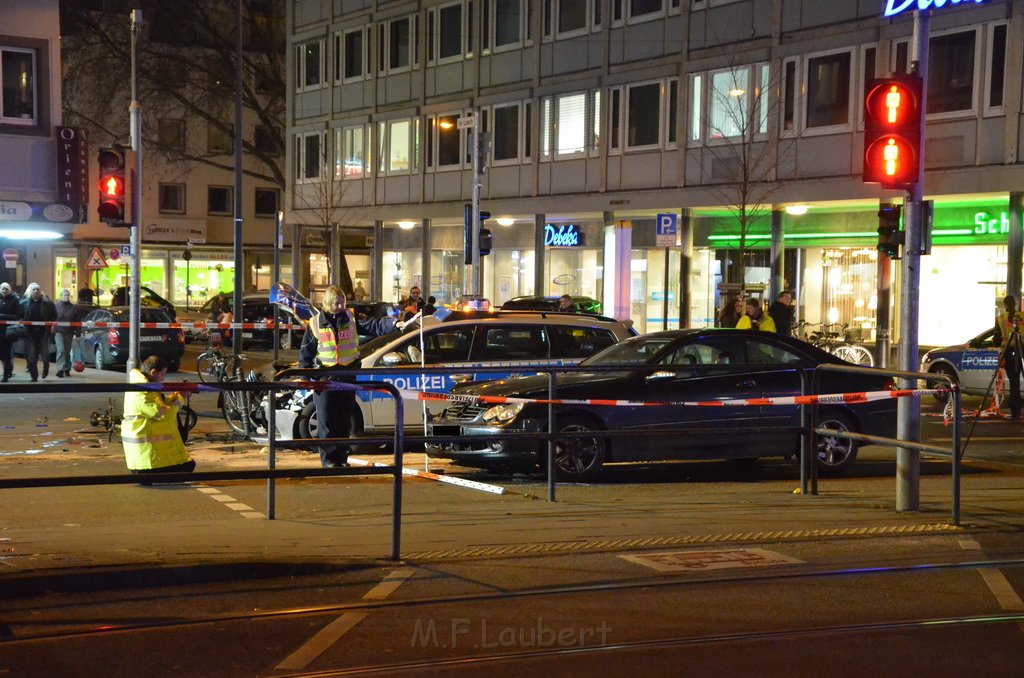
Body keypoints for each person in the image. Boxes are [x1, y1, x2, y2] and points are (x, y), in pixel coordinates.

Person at [299, 285, 361, 468]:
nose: (340, 305)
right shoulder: (316, 323)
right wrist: (305, 377)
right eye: (336, 302)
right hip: (325, 378)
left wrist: (394, 324)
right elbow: (306, 353)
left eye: (342, 302)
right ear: (327, 302)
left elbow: (373, 325)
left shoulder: (350, 318)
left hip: (347, 376)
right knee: (327, 421)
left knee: (343, 421)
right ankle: (329, 461)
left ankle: (341, 459)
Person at [122, 354, 195, 481]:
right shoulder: (143, 392)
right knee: (188, 467)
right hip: (146, 463)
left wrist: (177, 394)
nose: (163, 379)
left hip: (143, 459)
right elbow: (163, 414)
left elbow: (162, 402)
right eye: (162, 374)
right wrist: (181, 397)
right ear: (153, 372)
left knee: (188, 466)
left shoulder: (144, 386)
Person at [19, 282, 56, 382]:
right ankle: (34, 376)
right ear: (30, 292)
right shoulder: (24, 303)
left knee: (45, 354)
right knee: (31, 356)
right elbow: (19, 315)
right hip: (29, 333)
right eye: (34, 290)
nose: (36, 291)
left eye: (37, 290)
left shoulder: (47, 303)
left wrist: (51, 324)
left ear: (41, 292)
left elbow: (54, 315)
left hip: (43, 333)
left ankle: (46, 368)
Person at [995, 295, 1022, 420]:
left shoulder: (1001, 318)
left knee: (1014, 384)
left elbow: (997, 339)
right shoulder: (1021, 316)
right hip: (1022, 351)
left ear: (1005, 305)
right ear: (1015, 304)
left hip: (1010, 353)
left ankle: (1015, 411)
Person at [53, 288, 81, 378]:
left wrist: (78, 334)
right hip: (59, 332)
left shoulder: (73, 308)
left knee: (67, 351)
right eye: (64, 295)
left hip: (69, 332)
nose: (66, 297)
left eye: (67, 295)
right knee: (61, 350)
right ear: (61, 296)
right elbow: (52, 318)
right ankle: (60, 369)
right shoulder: (56, 306)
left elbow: (77, 321)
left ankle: (67, 368)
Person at [0, 282, 20, 382]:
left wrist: (3, 316)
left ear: (10, 290)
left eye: (6, 289)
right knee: (2, 353)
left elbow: (17, 315)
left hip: (9, 330)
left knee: (6, 353)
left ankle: (6, 373)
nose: (4, 291)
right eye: (2, 289)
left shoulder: (14, 300)